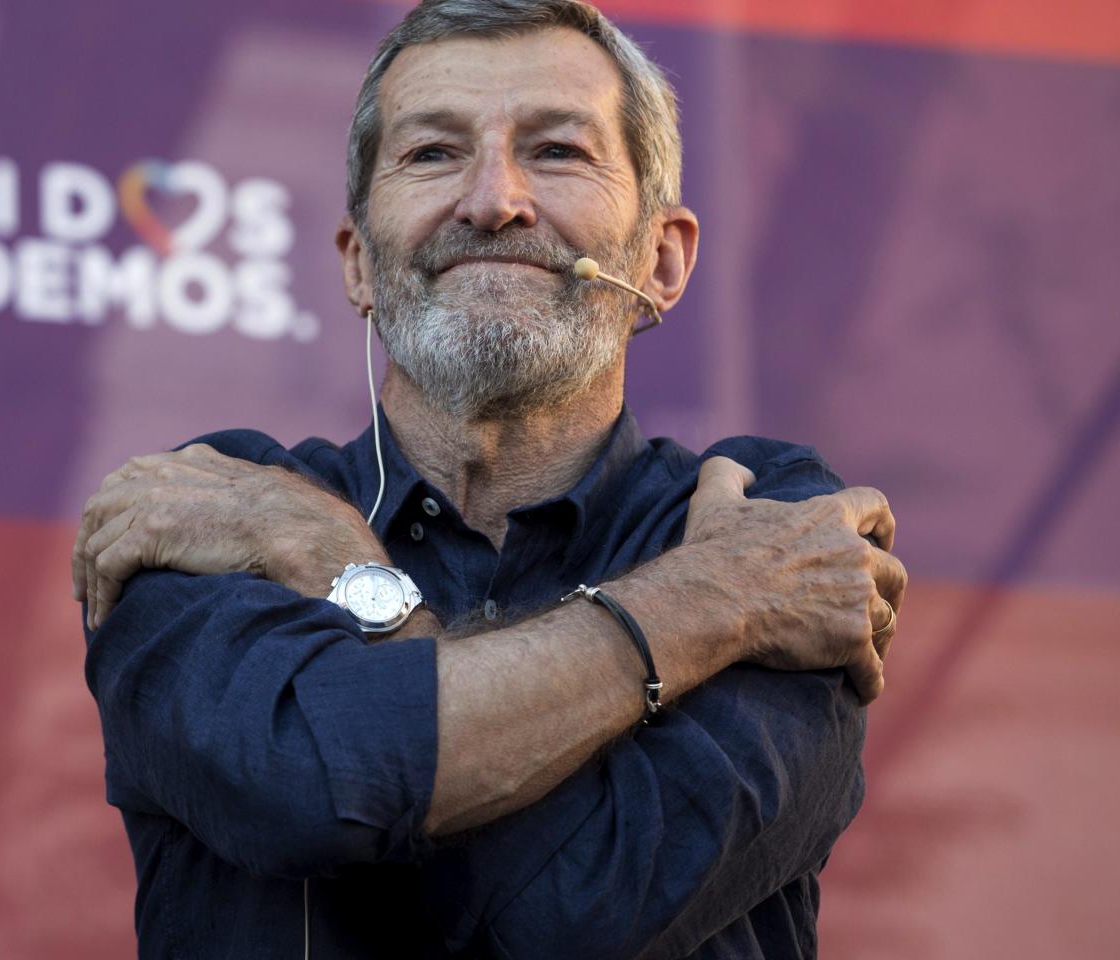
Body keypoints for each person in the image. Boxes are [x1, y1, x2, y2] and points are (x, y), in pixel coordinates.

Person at [72, 1, 907, 956]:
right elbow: (320, 785)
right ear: (359, 266)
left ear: (665, 261)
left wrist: (332, 562)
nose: (492, 200)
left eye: (557, 151)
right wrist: (709, 604)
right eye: (432, 155)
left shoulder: (772, 518)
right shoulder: (212, 515)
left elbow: (580, 912)